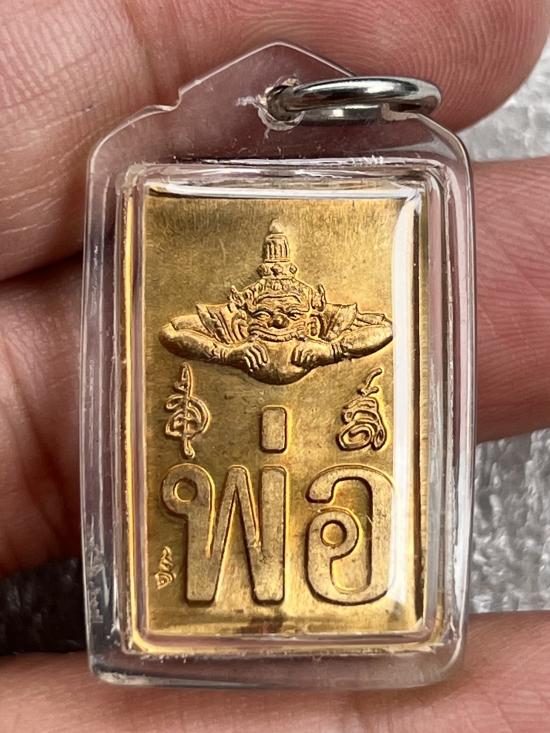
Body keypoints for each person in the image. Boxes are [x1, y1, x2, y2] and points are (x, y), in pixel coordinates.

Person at [0, 0, 549, 729]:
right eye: (269, 310)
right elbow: (187, 330)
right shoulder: (201, 275)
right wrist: (242, 345)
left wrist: (312, 345)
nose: (278, 317)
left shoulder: (369, 258)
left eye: (287, 308)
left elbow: (373, 328)